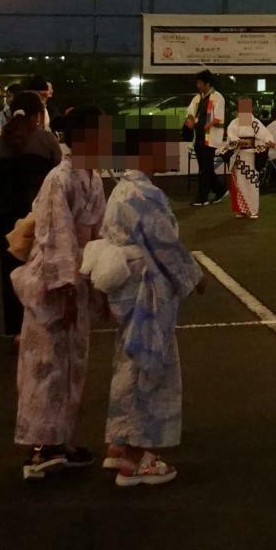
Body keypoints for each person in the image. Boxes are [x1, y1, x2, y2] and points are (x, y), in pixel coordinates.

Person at [94, 125, 206, 488]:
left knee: (128, 361)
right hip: (144, 288)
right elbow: (166, 245)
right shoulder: (144, 193)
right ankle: (136, 457)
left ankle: (119, 442)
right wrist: (194, 277)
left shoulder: (121, 190)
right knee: (149, 363)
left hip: (125, 284)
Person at [12, 106, 110, 479]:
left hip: (77, 276)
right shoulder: (60, 177)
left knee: (72, 363)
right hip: (54, 283)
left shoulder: (91, 176)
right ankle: (40, 448)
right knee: (46, 365)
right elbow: (54, 236)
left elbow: (97, 231)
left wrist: (97, 280)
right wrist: (65, 287)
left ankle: (60, 439)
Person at [0, 92, 60, 343]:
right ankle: (40, 323)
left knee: (12, 272)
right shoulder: (47, 140)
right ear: (38, 115)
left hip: (7, 217)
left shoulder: (0, 145)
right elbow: (58, 176)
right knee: (42, 271)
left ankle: (17, 330)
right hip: (38, 216)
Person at [185, 71, 226, 206]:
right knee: (205, 167)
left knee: (205, 169)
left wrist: (205, 126)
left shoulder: (218, 97)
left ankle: (202, 198)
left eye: (200, 83)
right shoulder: (198, 98)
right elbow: (190, 111)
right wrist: (190, 120)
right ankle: (220, 190)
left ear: (207, 83)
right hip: (199, 138)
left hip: (211, 138)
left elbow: (219, 117)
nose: (198, 86)